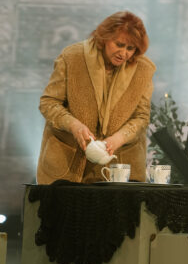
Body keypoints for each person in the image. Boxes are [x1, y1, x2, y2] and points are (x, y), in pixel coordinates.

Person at [37, 11, 155, 184]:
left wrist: (119, 138)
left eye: (130, 49)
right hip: (66, 165)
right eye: (119, 44)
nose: (123, 53)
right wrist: (74, 125)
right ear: (105, 37)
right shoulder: (72, 57)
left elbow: (142, 117)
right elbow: (49, 102)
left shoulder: (143, 70)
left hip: (119, 166)